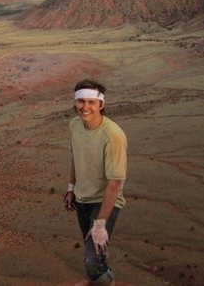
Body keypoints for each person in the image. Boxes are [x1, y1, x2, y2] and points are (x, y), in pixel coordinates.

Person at [63, 79, 128, 285]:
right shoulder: (74, 125)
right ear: (75, 103)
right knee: (93, 249)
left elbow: (115, 184)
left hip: (105, 200)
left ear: (101, 104)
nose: (85, 107)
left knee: (91, 261)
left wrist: (100, 224)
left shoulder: (113, 135)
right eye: (81, 101)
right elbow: (76, 156)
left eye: (91, 102)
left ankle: (105, 280)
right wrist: (71, 188)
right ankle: (101, 269)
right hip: (83, 198)